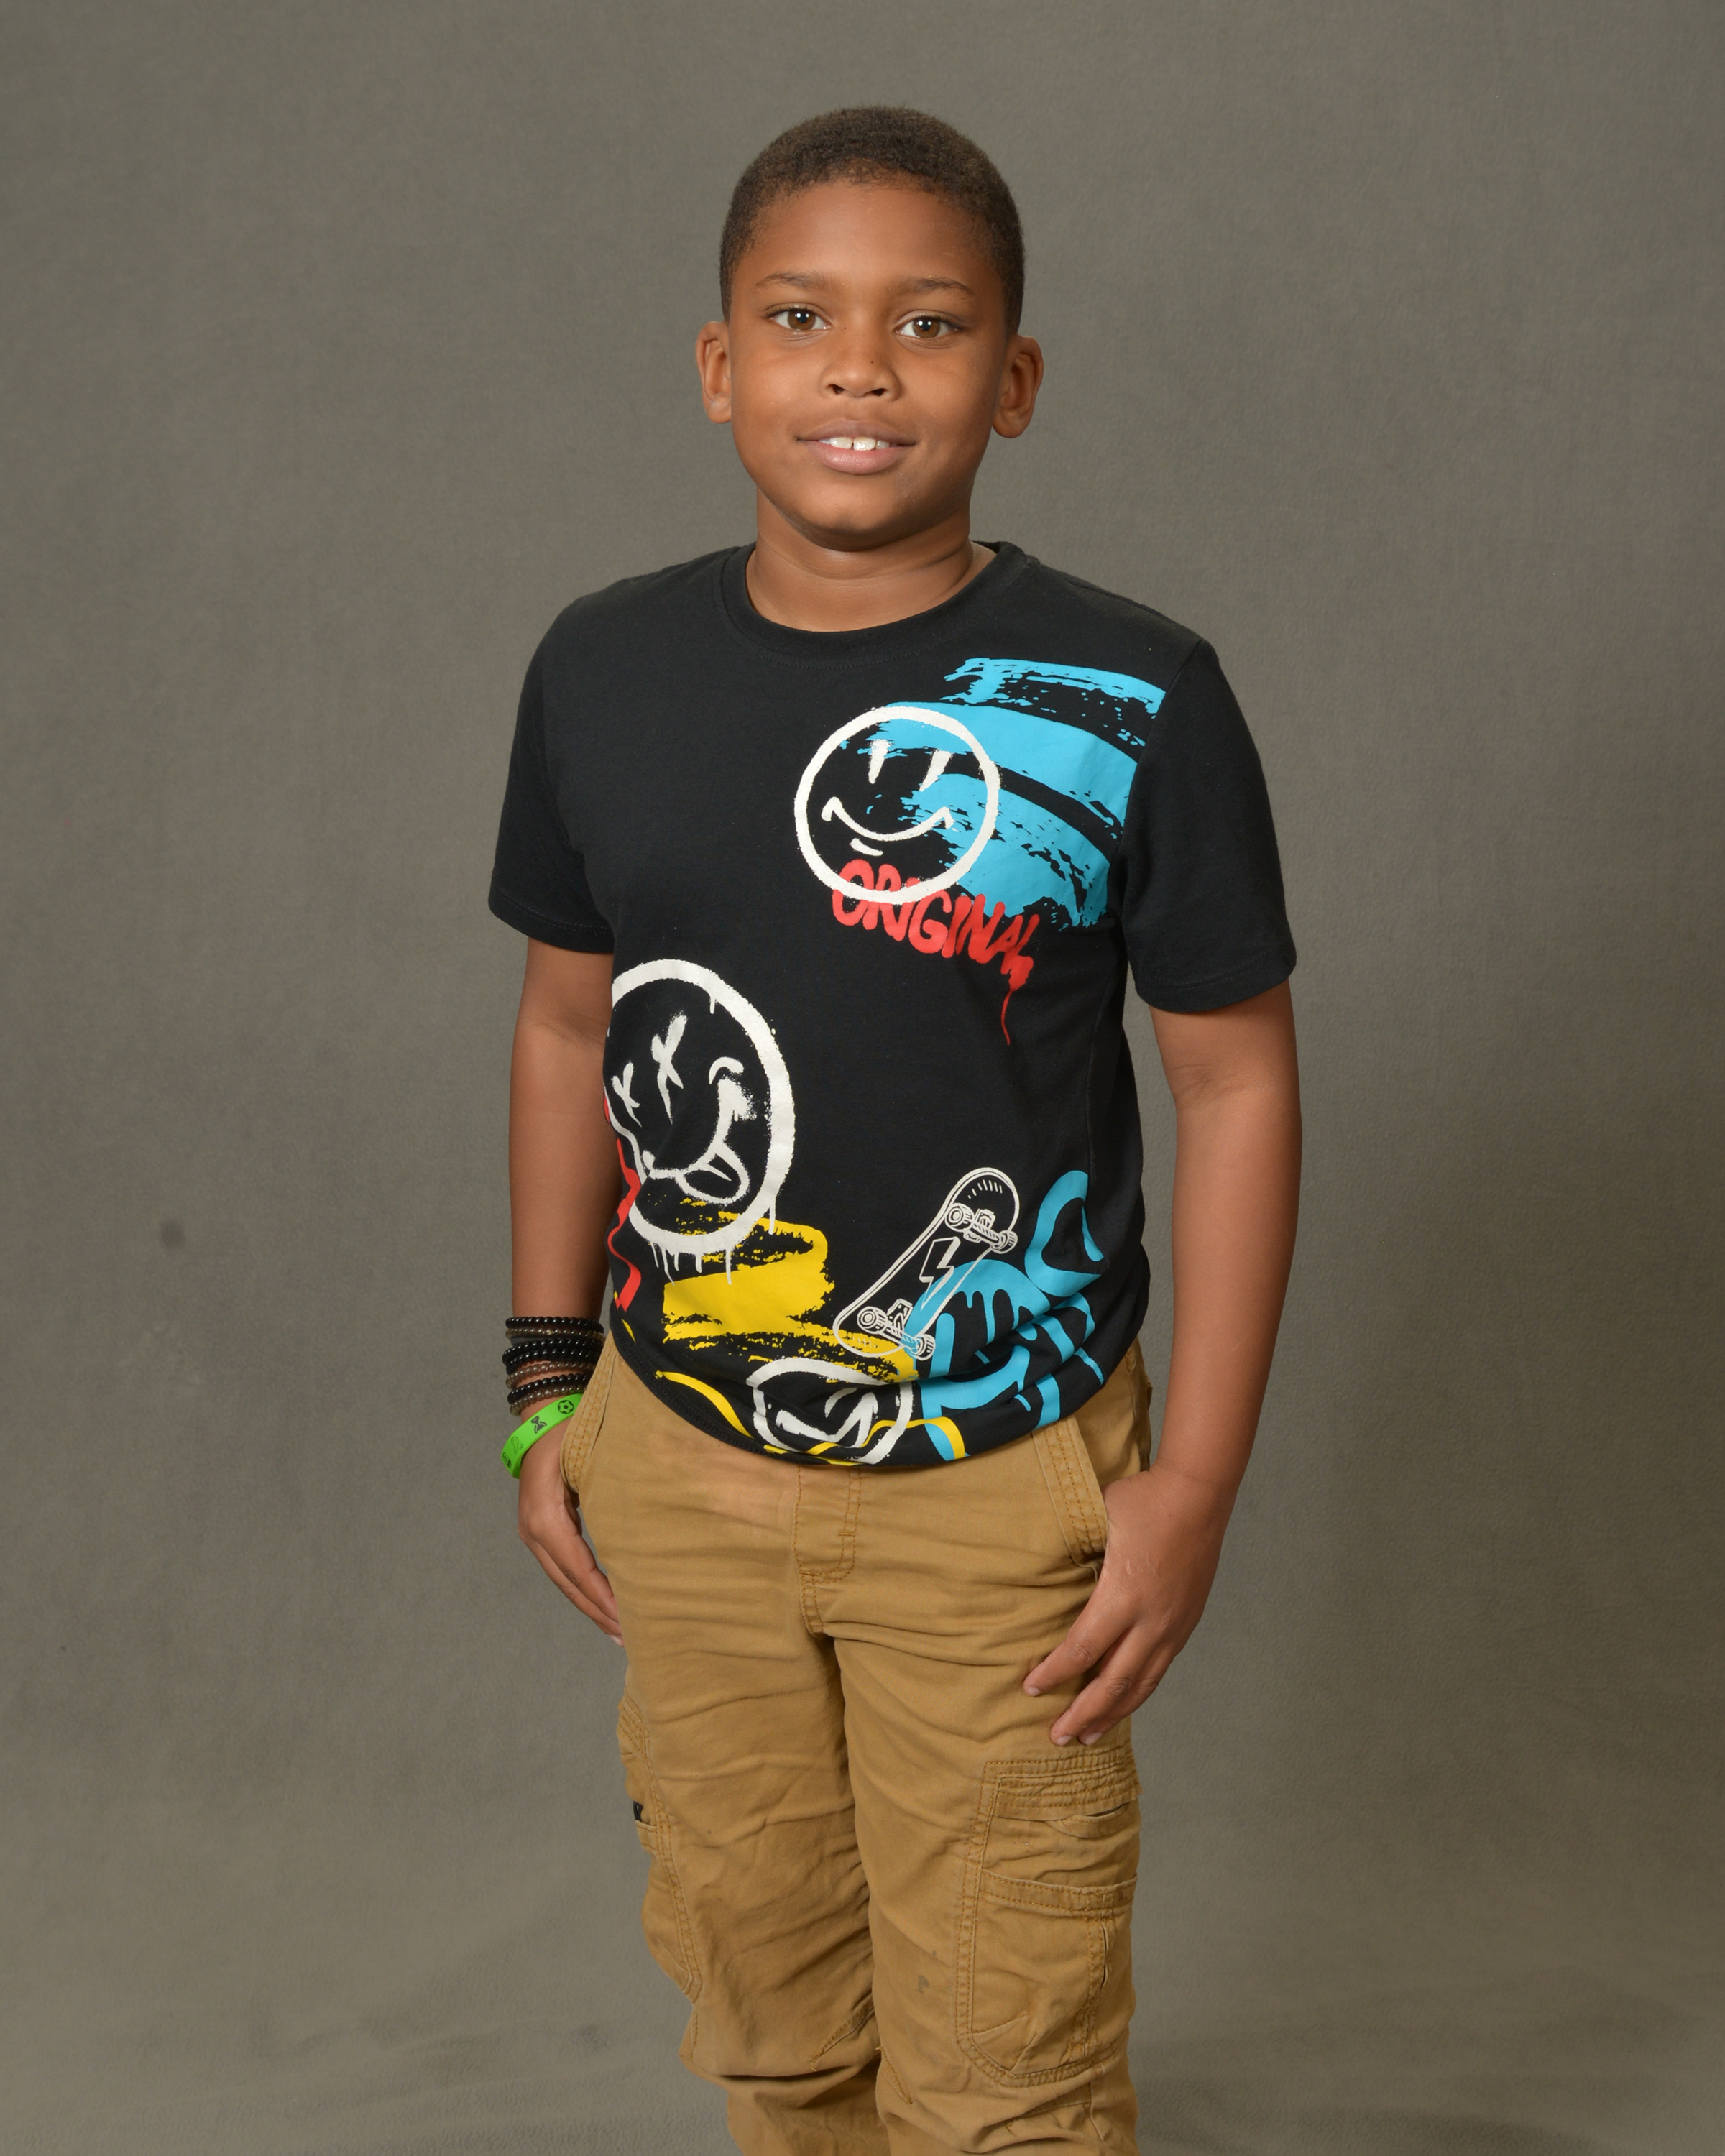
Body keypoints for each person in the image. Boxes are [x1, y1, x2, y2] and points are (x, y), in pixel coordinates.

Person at [489, 106, 1300, 2156]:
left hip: (1002, 1488)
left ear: (1012, 381)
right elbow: (569, 1028)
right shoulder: (601, 668)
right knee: (772, 2020)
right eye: (802, 319)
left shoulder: (1132, 693)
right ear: (718, 365)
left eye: (928, 324)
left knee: (1004, 2076)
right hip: (682, 1459)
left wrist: (1197, 1478)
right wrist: (544, 1379)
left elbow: (1235, 1082)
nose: (860, 369)